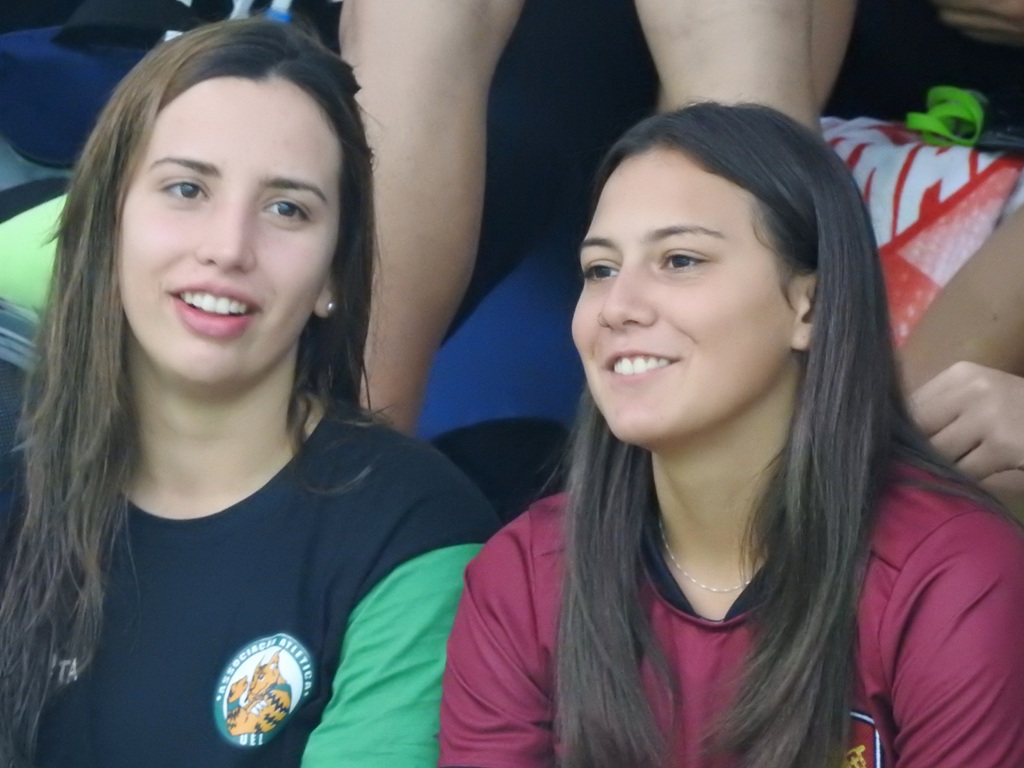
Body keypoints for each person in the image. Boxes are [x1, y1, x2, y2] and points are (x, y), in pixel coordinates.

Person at [438, 104, 1024, 768]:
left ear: (810, 306)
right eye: (600, 269)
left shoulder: (949, 569)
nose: (618, 307)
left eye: (680, 259)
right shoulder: (524, 573)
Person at [0, 18, 497, 768]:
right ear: (108, 224)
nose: (228, 248)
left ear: (334, 273)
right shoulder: (20, 485)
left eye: (287, 208)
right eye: (187, 189)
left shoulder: (411, 533)